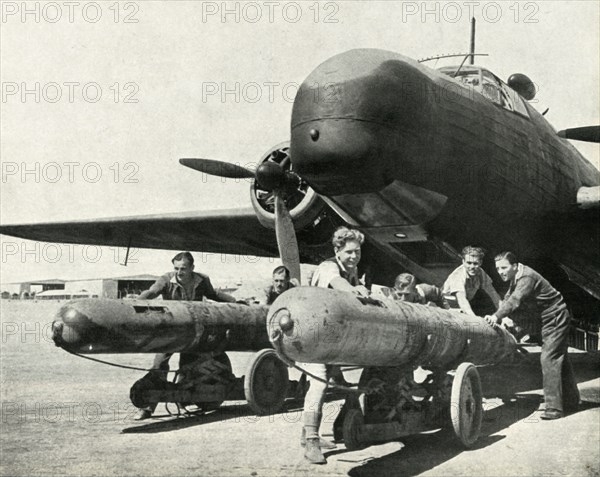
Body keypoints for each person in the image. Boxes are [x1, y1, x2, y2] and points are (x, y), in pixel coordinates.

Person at [133, 251, 236, 420]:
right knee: (159, 365)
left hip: (194, 331)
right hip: (171, 330)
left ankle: (185, 398)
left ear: (192, 268)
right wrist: (136, 302)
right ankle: (147, 408)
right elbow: (151, 293)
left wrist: (235, 303)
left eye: (183, 268)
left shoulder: (201, 280)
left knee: (188, 365)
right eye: (176, 268)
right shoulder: (167, 280)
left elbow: (213, 295)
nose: (179, 272)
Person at [302, 226, 369, 464]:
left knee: (340, 382)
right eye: (349, 252)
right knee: (319, 384)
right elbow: (337, 283)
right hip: (310, 332)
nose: (354, 257)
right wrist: (355, 289)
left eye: (357, 252)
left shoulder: (352, 269)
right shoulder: (329, 266)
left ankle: (325, 430)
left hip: (330, 335)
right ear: (337, 250)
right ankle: (310, 441)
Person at [485, 252, 580, 420]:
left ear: (515, 266)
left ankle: (554, 409)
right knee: (559, 358)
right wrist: (503, 316)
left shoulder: (526, 277)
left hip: (555, 317)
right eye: (498, 268)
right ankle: (571, 401)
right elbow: (508, 296)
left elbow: (515, 300)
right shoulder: (517, 275)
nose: (500, 272)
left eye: (504, 267)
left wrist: (496, 316)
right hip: (546, 318)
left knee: (548, 358)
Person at [442, 246, 501, 315]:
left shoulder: (480, 273)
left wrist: (503, 315)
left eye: (475, 263)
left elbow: (494, 295)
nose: (472, 267)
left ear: (480, 263)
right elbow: (462, 300)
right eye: (469, 263)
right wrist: (474, 318)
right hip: (446, 308)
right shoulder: (458, 275)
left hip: (462, 308)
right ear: (463, 261)